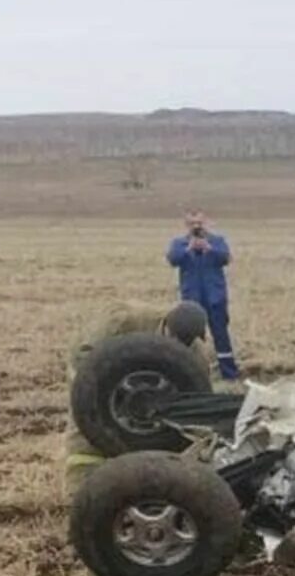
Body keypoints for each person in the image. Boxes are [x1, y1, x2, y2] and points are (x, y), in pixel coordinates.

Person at [61, 301, 211, 494]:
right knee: (88, 425)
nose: (180, 346)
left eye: (186, 342)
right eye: (176, 339)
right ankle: (78, 491)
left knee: (144, 437)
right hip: (95, 370)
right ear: (166, 325)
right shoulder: (124, 320)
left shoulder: (195, 353)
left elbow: (197, 391)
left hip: (148, 389)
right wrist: (99, 392)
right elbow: (85, 356)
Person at [165, 208, 239, 380]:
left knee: (221, 334)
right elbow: (173, 260)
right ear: (186, 225)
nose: (197, 227)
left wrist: (209, 249)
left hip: (215, 296)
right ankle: (187, 373)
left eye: (200, 223)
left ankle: (229, 373)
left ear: (206, 223)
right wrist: (188, 249)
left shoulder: (217, 241)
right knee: (188, 336)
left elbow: (226, 258)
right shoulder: (179, 243)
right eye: (192, 224)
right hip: (191, 298)